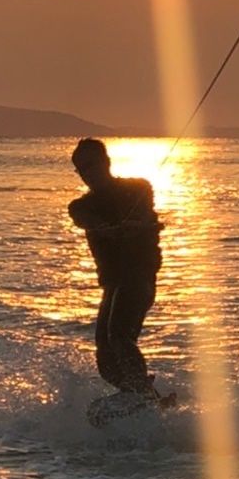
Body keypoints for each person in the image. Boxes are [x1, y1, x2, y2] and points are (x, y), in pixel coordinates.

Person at [68, 138, 169, 402]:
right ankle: (142, 396)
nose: (88, 173)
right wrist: (107, 230)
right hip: (112, 284)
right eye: (81, 169)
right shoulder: (81, 206)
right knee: (105, 359)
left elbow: (146, 214)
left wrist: (139, 226)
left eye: (92, 165)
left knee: (120, 336)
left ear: (106, 162)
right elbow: (85, 220)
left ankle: (143, 395)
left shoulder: (138, 188)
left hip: (138, 279)